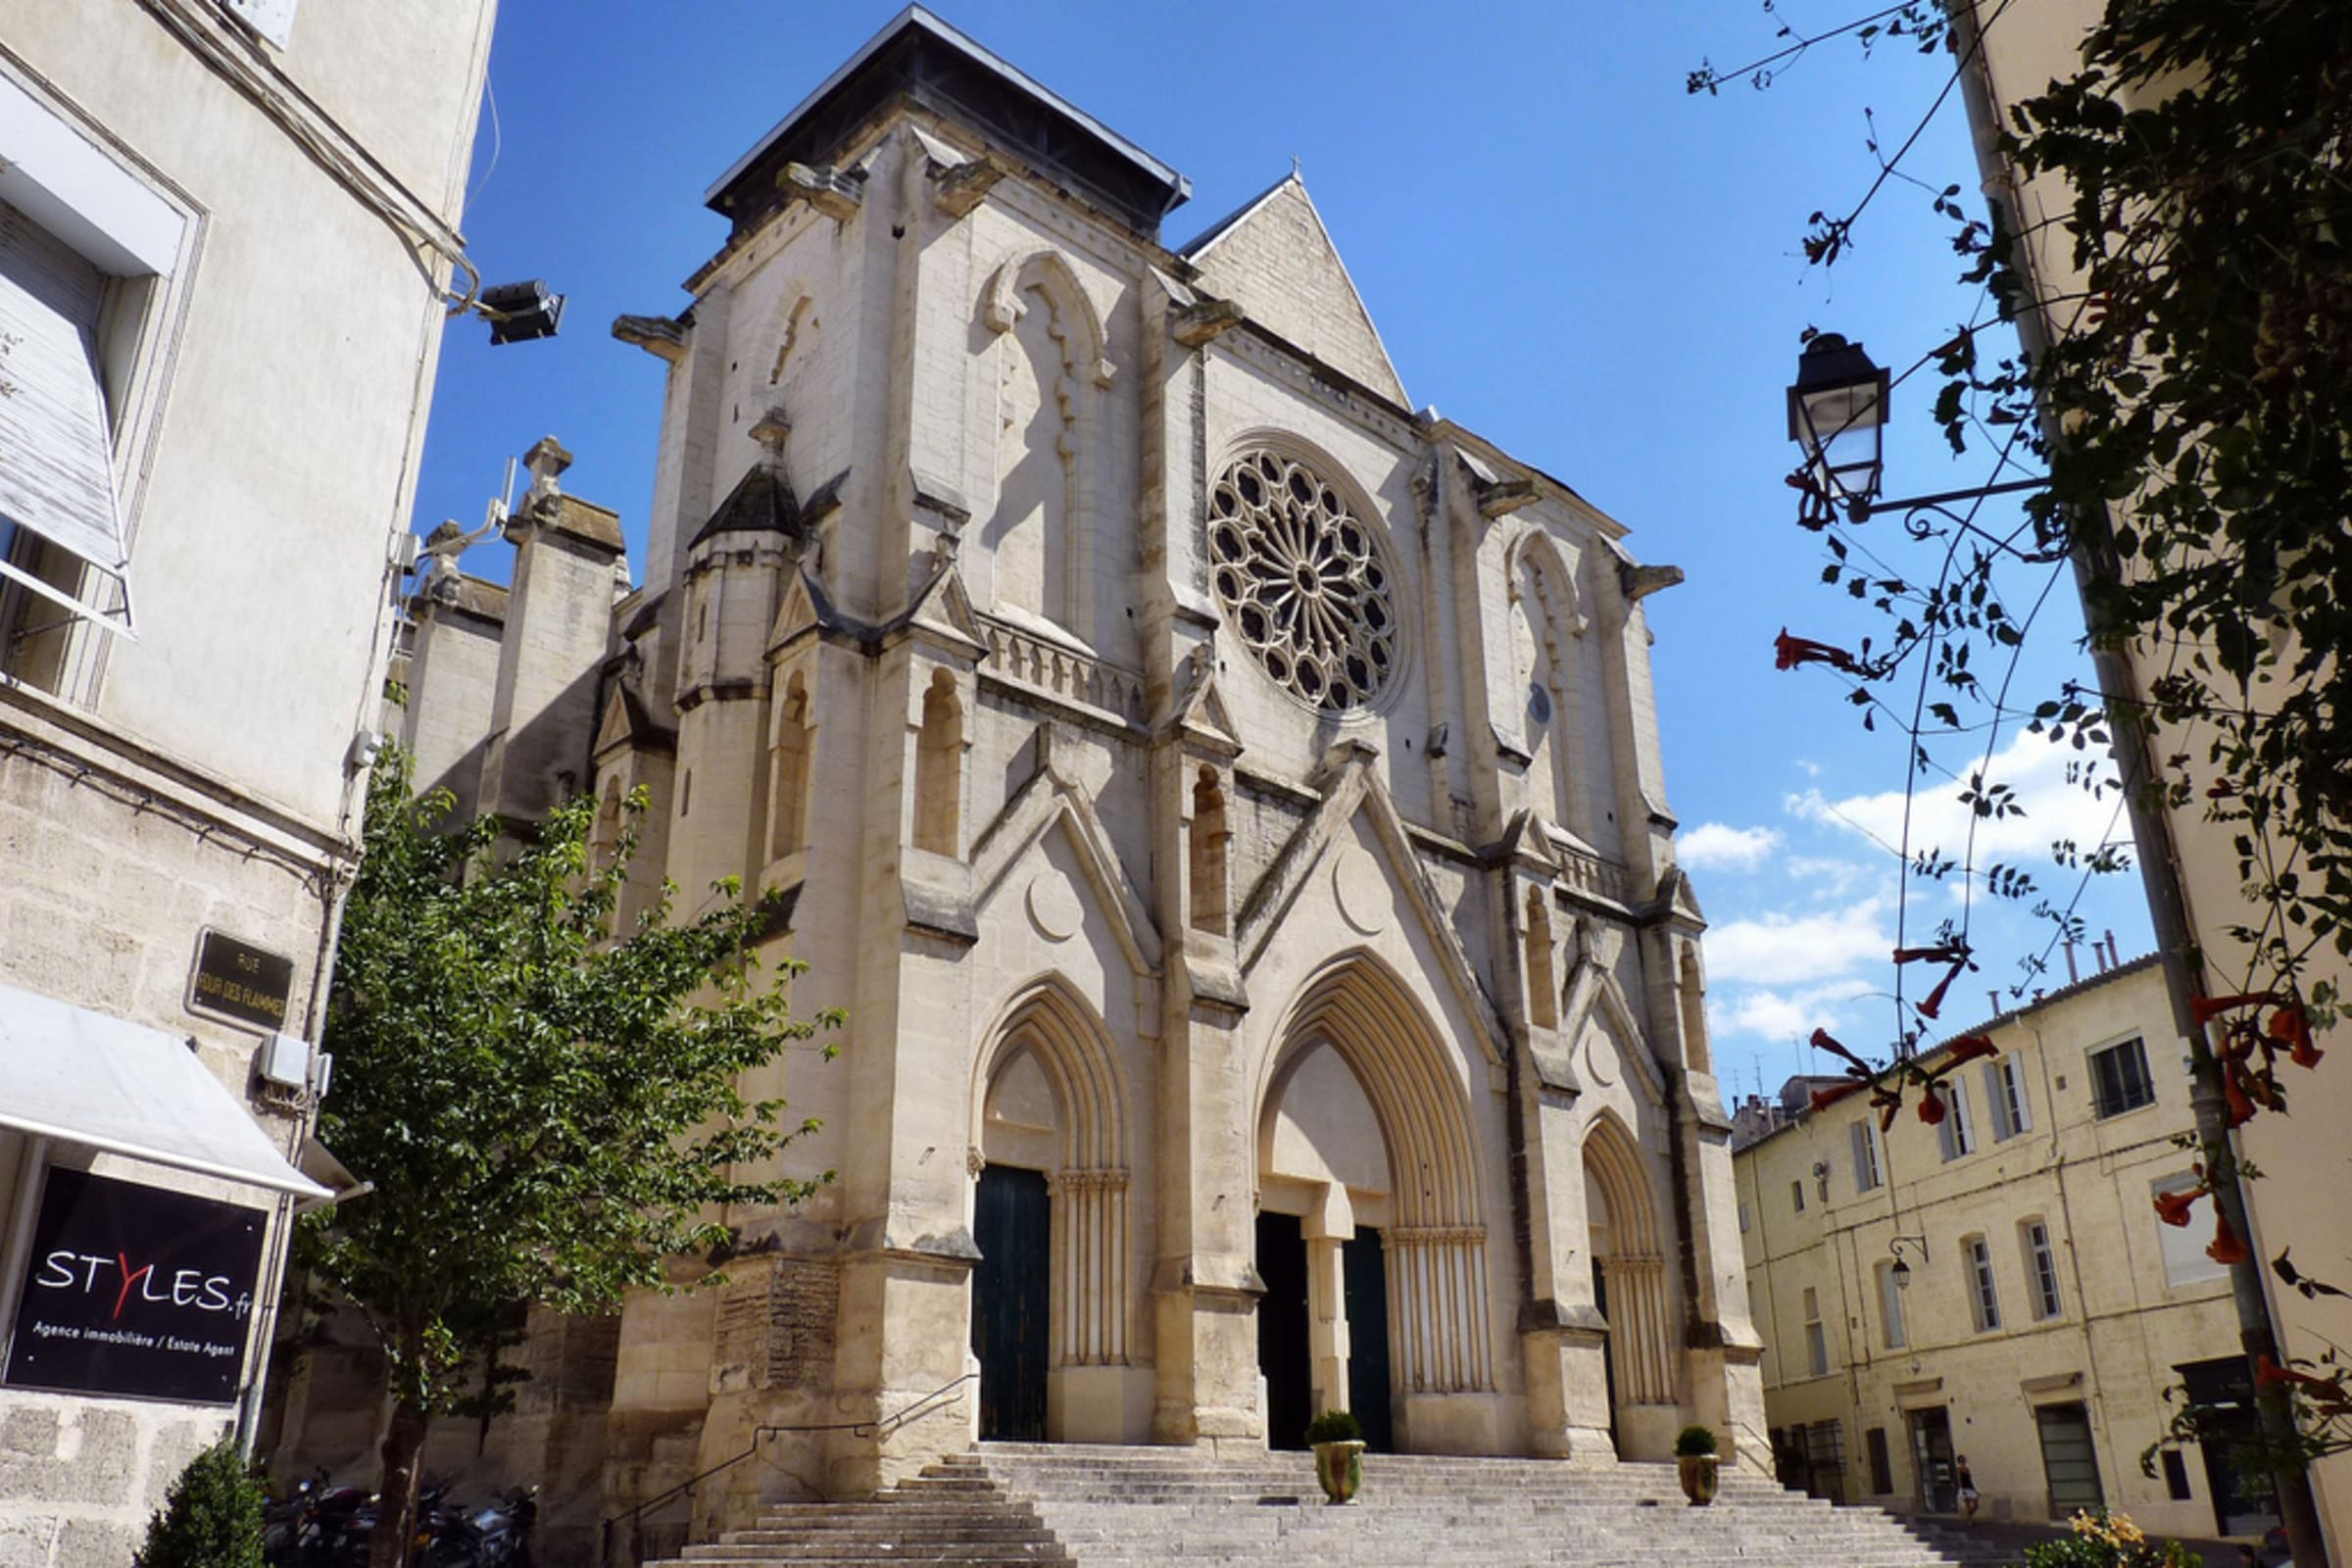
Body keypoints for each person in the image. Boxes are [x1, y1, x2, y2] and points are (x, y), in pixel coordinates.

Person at [1954, 1456, 1980, 1524]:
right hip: (1964, 1488)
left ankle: (1969, 1516)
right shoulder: (1958, 1469)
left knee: (1976, 1505)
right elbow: (1959, 1480)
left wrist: (1975, 1490)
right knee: (1967, 1504)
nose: (1963, 1462)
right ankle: (1969, 1520)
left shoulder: (1967, 1469)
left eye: (1963, 1460)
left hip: (1970, 1488)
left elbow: (1970, 1480)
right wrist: (1962, 1490)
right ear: (1959, 1462)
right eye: (1961, 1461)